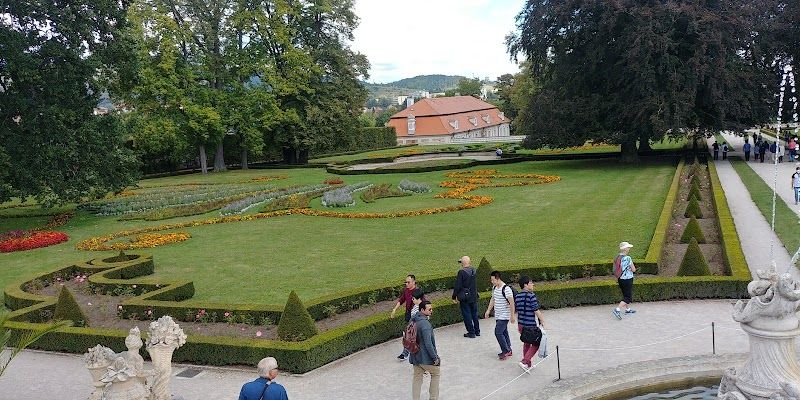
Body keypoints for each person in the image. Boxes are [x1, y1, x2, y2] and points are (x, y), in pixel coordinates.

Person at [514, 275, 546, 372]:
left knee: (527, 343)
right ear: (525, 285)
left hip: (521, 325)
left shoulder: (518, 296)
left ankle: (528, 364)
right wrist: (543, 321)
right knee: (537, 343)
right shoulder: (531, 295)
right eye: (531, 283)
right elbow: (536, 310)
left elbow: (517, 310)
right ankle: (524, 361)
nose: (533, 284)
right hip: (530, 325)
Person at [410, 301, 440, 400]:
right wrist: (435, 358)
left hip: (415, 356)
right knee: (436, 374)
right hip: (425, 358)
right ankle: (434, 398)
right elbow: (428, 344)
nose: (432, 311)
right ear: (422, 310)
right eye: (429, 309)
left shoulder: (413, 320)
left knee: (417, 379)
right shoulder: (425, 324)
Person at [484, 271, 516, 360]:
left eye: (493, 280)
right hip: (498, 315)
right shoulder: (494, 287)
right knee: (504, 332)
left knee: (498, 332)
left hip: (504, 315)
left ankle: (505, 351)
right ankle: (509, 349)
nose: (492, 281)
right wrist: (488, 310)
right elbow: (493, 299)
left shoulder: (506, 289)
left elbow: (512, 303)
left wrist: (512, 316)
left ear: (498, 278)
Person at [392, 274, 423, 360]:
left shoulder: (418, 292)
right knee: (410, 334)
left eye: (408, 282)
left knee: (409, 334)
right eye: (406, 282)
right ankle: (408, 352)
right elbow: (401, 300)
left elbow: (423, 304)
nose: (406, 284)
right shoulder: (406, 290)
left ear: (414, 282)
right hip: (408, 313)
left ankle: (406, 353)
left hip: (415, 315)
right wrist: (394, 309)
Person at [452, 255, 480, 338]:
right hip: (474, 296)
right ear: (469, 262)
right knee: (474, 314)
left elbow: (458, 286)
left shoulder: (461, 272)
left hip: (465, 297)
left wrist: (454, 296)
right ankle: (477, 331)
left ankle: (471, 332)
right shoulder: (474, 270)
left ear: (462, 263)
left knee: (467, 314)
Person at [612, 242, 637, 320]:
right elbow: (633, 269)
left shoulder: (617, 257)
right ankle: (617, 309)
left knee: (625, 295)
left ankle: (627, 309)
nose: (629, 249)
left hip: (620, 279)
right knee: (628, 297)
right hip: (627, 279)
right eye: (628, 247)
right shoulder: (628, 258)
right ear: (625, 249)